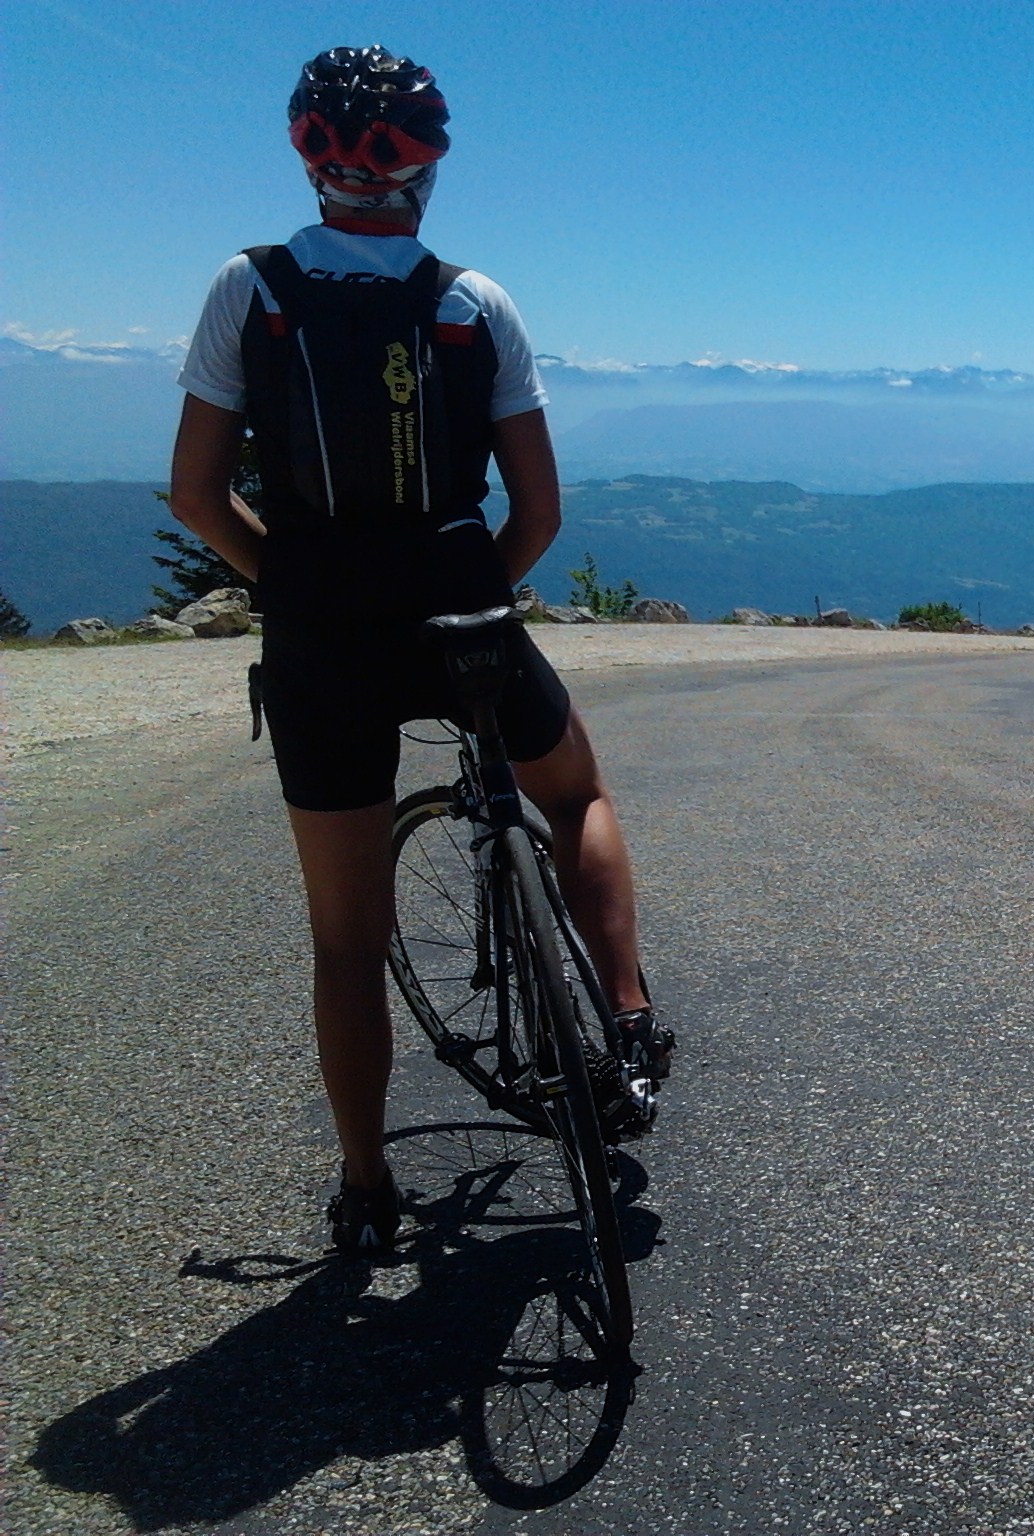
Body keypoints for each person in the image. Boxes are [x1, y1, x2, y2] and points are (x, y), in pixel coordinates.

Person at [169, 45, 672, 1256]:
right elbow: (538, 516)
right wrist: (466, 600)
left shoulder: (253, 288)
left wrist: (291, 587)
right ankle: (627, 1015)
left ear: (308, 153)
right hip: (459, 615)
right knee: (575, 792)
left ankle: (365, 1188)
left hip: (319, 636)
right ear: (428, 161)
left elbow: (194, 494)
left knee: (347, 938)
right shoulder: (470, 302)